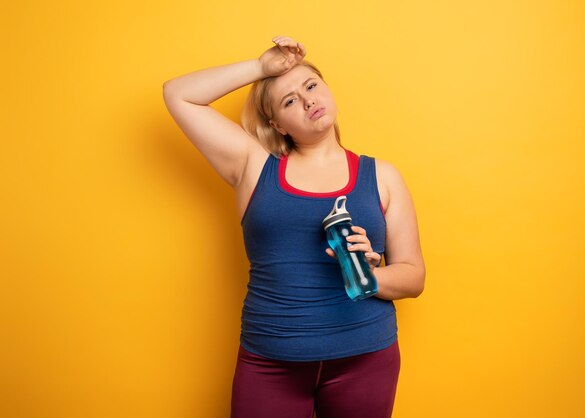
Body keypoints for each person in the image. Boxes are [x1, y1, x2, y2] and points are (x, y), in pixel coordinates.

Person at [162, 35, 426, 418]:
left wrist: (371, 275)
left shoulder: (382, 176)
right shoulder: (253, 166)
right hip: (271, 361)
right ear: (277, 124)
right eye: (289, 101)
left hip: (366, 358)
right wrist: (262, 68)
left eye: (311, 86)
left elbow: (414, 276)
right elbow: (178, 94)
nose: (307, 100)